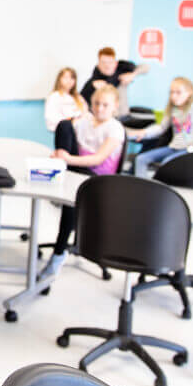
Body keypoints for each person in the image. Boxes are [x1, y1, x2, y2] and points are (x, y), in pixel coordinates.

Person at [42, 84, 126, 282]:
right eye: (96, 103)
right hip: (77, 169)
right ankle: (60, 171)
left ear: (115, 106)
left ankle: (58, 254)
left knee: (72, 198)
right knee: (64, 125)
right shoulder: (86, 121)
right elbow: (67, 133)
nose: (100, 108)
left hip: (96, 179)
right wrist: (61, 155)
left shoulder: (115, 128)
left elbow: (97, 159)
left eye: (105, 105)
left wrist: (66, 159)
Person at [131, 76, 193, 178]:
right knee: (141, 159)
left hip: (190, 149)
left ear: (189, 93)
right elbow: (161, 128)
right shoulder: (172, 110)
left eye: (178, 92)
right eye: (171, 92)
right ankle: (143, 185)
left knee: (168, 163)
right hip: (174, 147)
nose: (174, 96)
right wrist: (144, 132)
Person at [79, 47, 150, 122]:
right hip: (106, 121)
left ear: (115, 63)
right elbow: (80, 103)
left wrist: (133, 75)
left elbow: (146, 67)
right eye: (103, 62)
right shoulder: (93, 83)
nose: (107, 66)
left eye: (110, 62)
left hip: (125, 117)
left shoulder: (122, 72)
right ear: (98, 64)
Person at [45, 67, 87, 132]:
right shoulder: (54, 97)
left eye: (72, 78)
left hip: (80, 130)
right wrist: (71, 121)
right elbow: (52, 118)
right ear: (59, 79)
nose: (69, 80)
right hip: (64, 131)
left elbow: (85, 113)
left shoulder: (78, 97)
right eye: (65, 77)